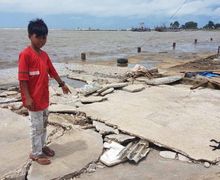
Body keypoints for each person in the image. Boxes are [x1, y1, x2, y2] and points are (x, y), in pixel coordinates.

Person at [18, 18, 71, 165]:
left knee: (44, 125)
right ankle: (35, 153)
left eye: (44, 37)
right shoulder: (25, 55)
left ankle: (42, 146)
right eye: (38, 37)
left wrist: (62, 84)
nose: (42, 40)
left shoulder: (44, 55)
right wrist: (27, 98)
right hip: (33, 101)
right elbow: (22, 79)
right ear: (30, 36)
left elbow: (52, 71)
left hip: (44, 99)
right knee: (35, 128)